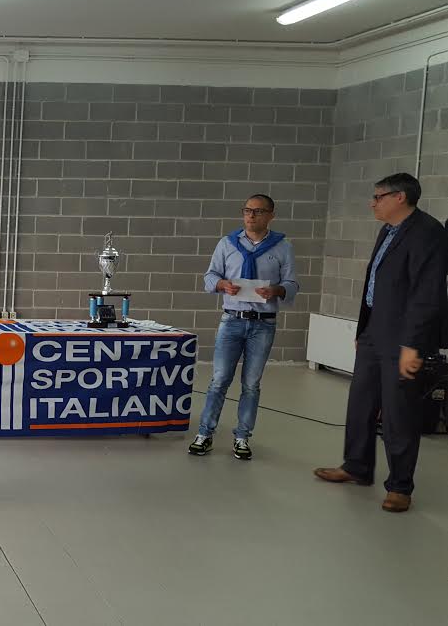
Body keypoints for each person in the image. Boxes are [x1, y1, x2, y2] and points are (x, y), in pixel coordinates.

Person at [314, 173, 448, 513]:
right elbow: (375, 284)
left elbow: (428, 294)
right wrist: (363, 331)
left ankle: (400, 486)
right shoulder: (388, 230)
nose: (373, 203)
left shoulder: (428, 232)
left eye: (378, 197)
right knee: (361, 402)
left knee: (399, 412)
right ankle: (356, 466)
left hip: (404, 337)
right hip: (375, 331)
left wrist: (412, 345)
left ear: (400, 197)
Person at [188, 194, 299, 460]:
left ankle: (242, 437)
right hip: (232, 321)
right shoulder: (227, 243)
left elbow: (292, 283)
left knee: (251, 384)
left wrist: (277, 290)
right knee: (219, 380)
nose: (251, 215)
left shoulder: (283, 246)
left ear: (271, 215)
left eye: (258, 211)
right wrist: (222, 284)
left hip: (263, 324)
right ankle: (205, 433)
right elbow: (210, 276)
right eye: (247, 210)